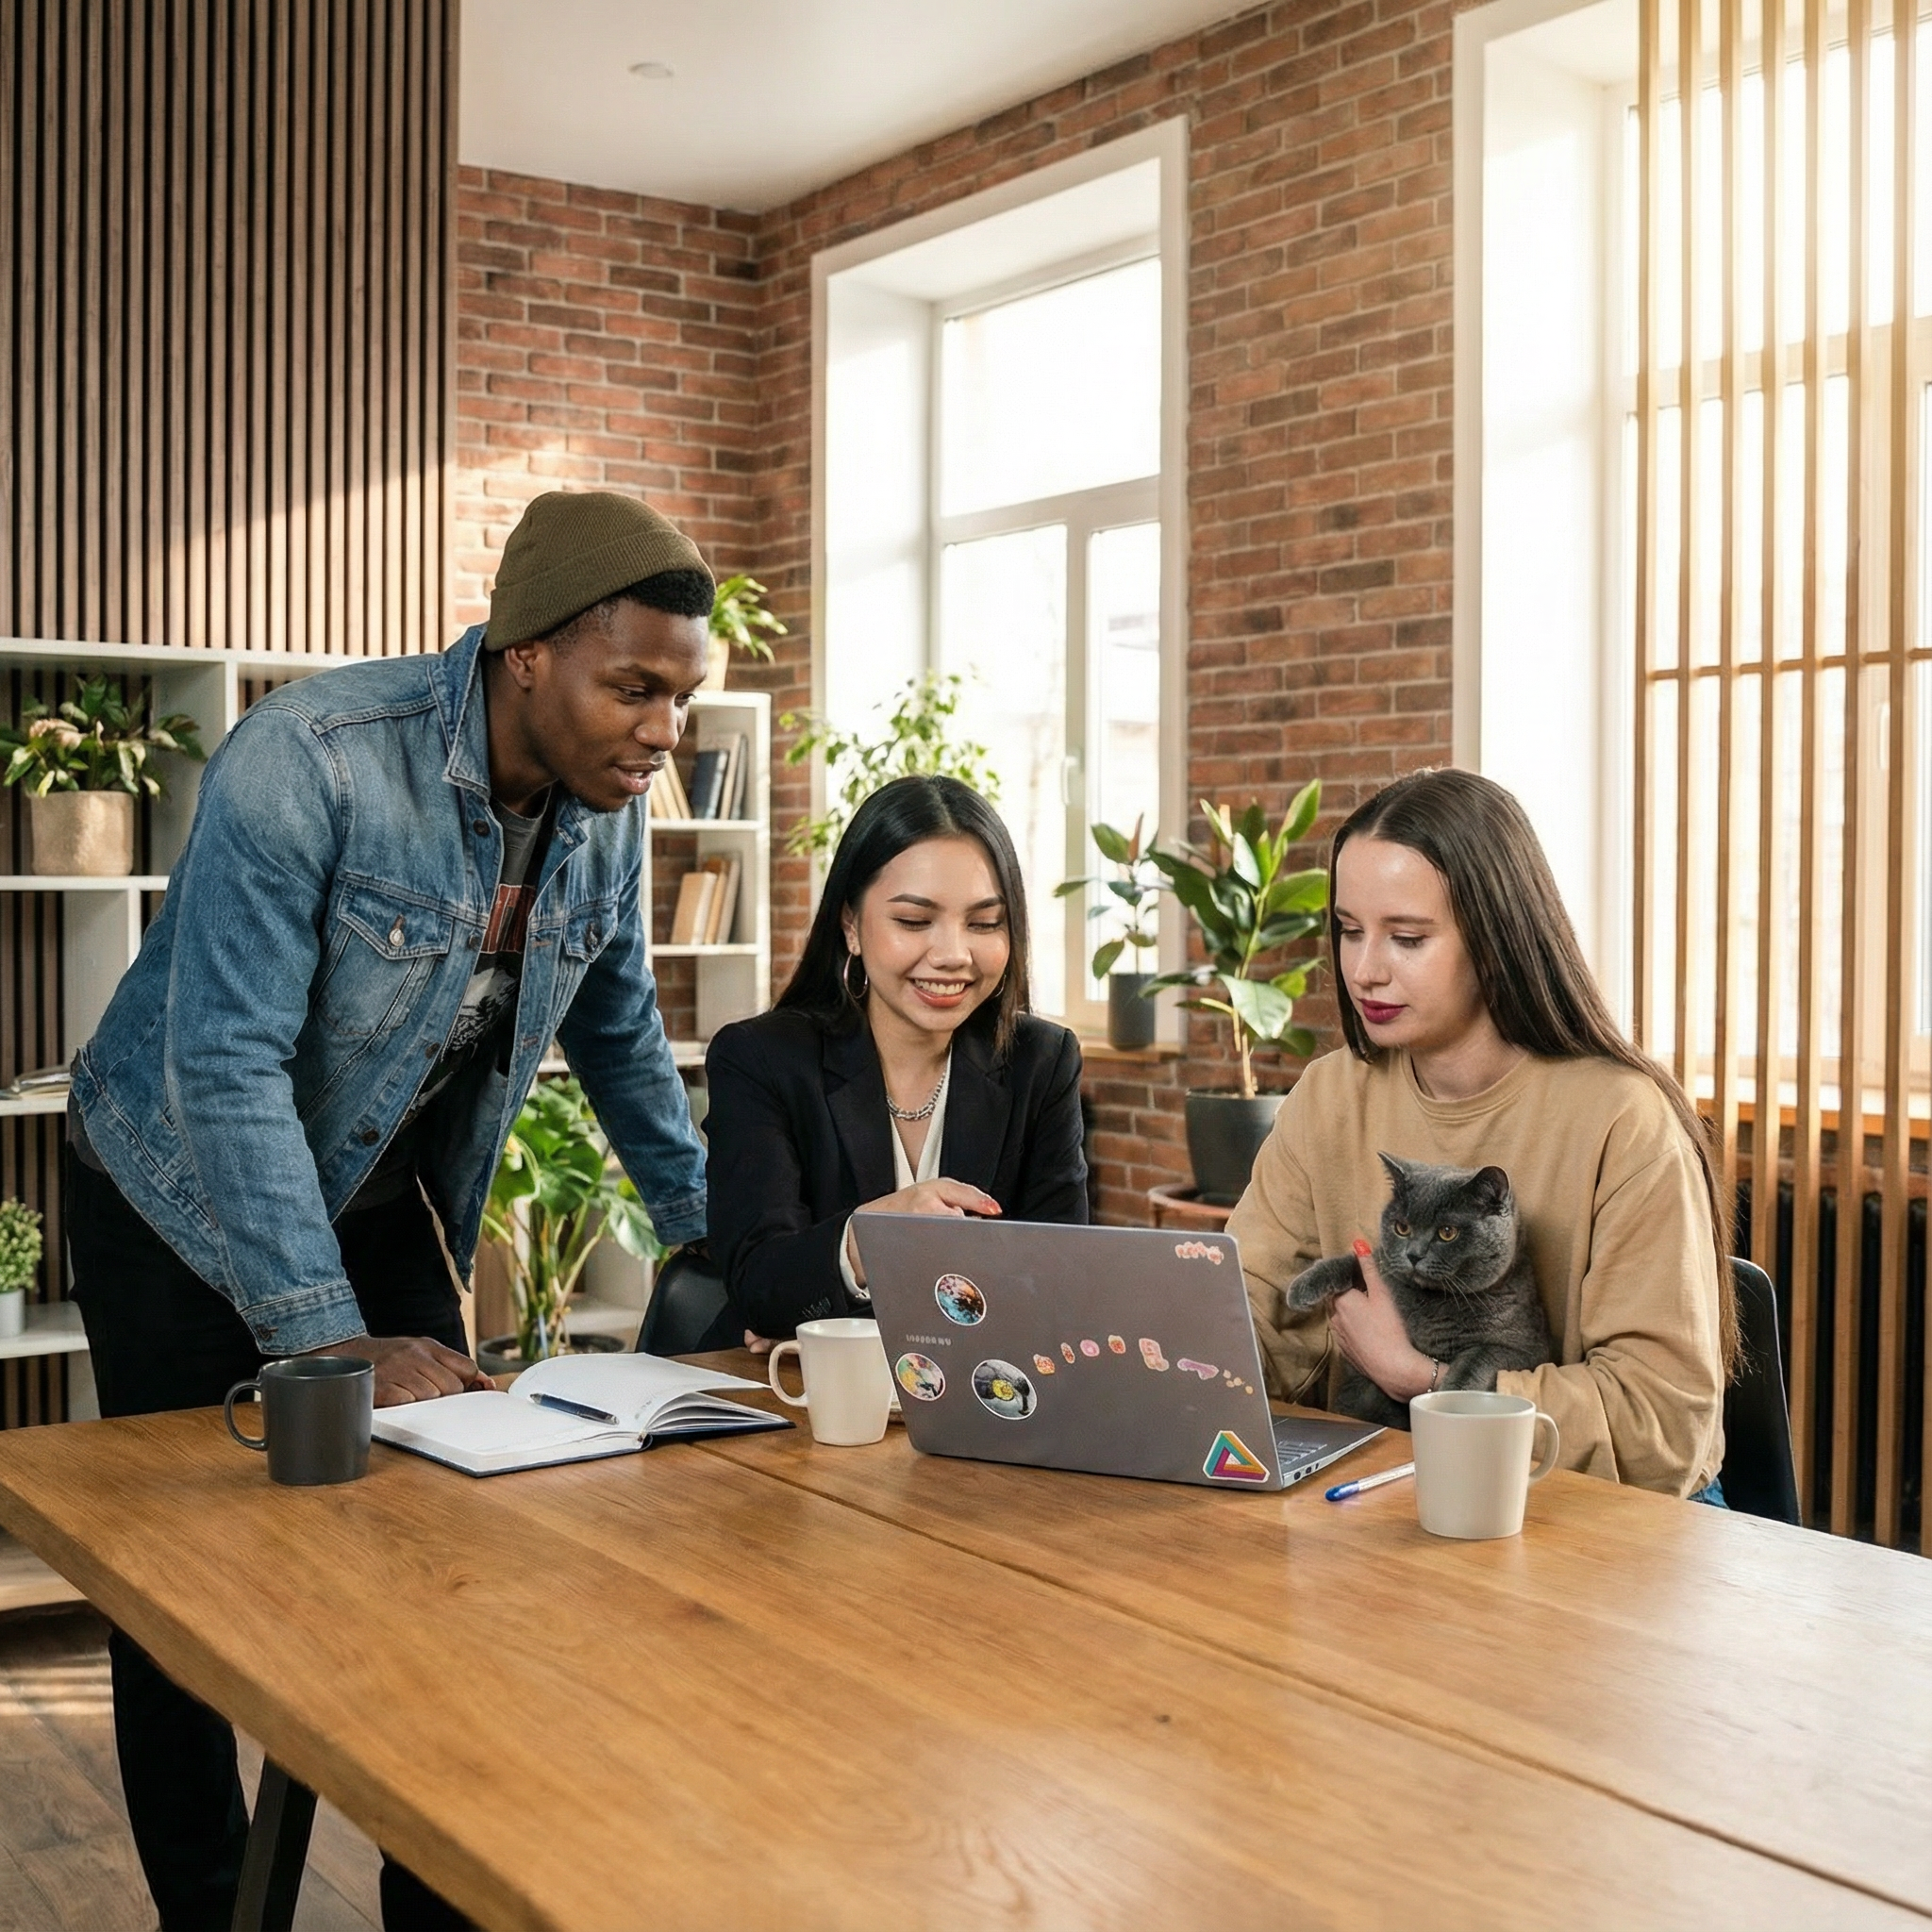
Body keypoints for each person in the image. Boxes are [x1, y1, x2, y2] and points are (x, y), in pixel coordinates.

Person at [64, 490, 715, 1932]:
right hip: (168, 1181)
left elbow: (620, 1033)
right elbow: (225, 1063)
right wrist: (327, 1340)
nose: (663, 729)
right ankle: (212, 1909)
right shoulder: (308, 761)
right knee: (180, 1589)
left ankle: (441, 1905)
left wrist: (713, 1232)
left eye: (681, 695)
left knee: (449, 1550)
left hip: (372, 1185)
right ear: (526, 654)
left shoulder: (607, 820)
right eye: (635, 687)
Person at [1228, 767, 1735, 1500]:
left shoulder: (1627, 1121)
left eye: (1406, 937)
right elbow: (1256, 1310)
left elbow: (1662, 1429)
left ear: (1496, 939)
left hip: (1604, 1515)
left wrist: (1427, 1382)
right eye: (1347, 931)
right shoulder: (1332, 1093)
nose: (1364, 970)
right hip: (1398, 1486)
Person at [706, 774, 1088, 1341]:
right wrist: (872, 1238)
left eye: (985, 923)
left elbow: (1061, 1283)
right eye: (914, 921)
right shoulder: (762, 1059)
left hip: (979, 1401)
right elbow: (760, 1287)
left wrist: (831, 1314)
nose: (954, 955)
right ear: (851, 925)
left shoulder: (1042, 1062)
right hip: (784, 1401)